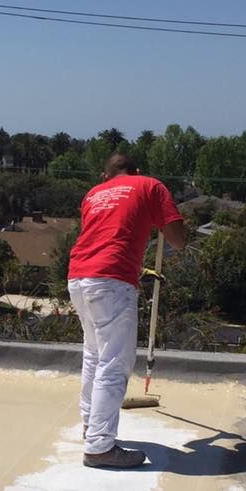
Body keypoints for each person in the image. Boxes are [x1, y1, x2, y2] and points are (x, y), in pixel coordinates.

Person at [68, 153, 187, 469]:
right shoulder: (150, 186)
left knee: (94, 354)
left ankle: (91, 427)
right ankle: (99, 447)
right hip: (112, 278)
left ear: (105, 176)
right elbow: (178, 240)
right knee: (113, 362)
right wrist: (165, 214)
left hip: (79, 276)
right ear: (137, 171)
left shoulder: (93, 194)